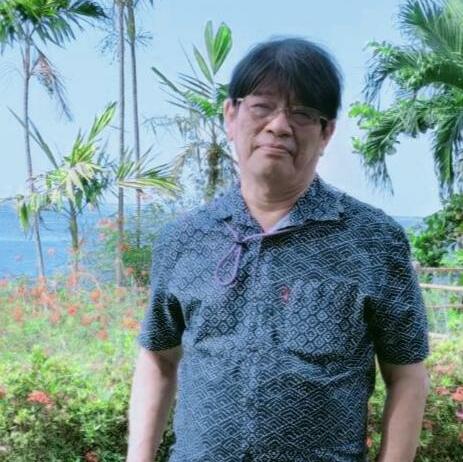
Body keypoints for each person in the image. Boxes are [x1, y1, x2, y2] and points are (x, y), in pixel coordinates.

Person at [126, 38, 430, 462]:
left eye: (302, 113)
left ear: (326, 132)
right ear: (231, 115)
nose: (279, 125)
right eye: (262, 107)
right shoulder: (184, 239)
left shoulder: (374, 240)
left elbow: (406, 374)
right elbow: (158, 358)